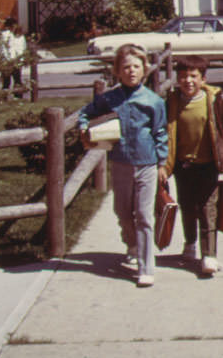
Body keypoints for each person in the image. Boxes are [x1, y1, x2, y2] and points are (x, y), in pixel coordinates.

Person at [77, 44, 168, 288]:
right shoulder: (110, 99)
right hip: (120, 163)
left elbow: (161, 132)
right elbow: (86, 114)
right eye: (126, 67)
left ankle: (146, 266)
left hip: (147, 163)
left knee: (144, 215)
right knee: (123, 212)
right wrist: (85, 128)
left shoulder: (154, 101)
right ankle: (132, 244)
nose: (131, 71)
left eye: (136, 67)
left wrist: (162, 162)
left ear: (144, 70)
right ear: (118, 71)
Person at [160, 55, 223, 277]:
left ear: (203, 79)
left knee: (208, 209)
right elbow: (162, 133)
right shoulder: (173, 102)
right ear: (177, 79)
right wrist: (162, 163)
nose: (188, 81)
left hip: (208, 165)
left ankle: (209, 254)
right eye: (183, 76)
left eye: (193, 76)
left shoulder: (215, 102)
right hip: (182, 166)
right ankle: (190, 244)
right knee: (187, 207)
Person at [0, 18, 27, 99]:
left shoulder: (19, 36)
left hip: (16, 61)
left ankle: (17, 96)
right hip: (7, 61)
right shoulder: (5, 35)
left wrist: (19, 59)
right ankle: (5, 97)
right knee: (7, 81)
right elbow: (4, 49)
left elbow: (22, 48)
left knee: (17, 80)